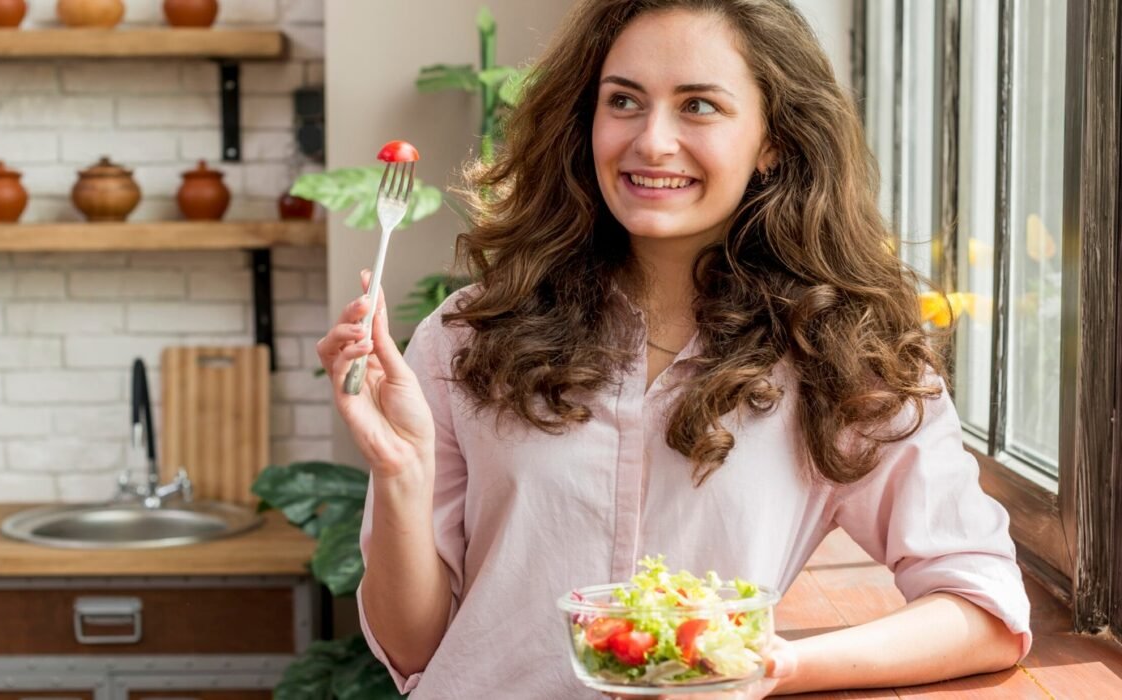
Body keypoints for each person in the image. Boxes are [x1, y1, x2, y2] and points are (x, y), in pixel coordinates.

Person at [316, 0, 1031, 697]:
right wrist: (401, 472)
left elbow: (983, 607)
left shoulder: (836, 352)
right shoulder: (469, 334)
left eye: (699, 106)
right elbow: (414, 649)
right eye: (623, 101)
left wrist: (774, 664)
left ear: (773, 140)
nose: (651, 141)